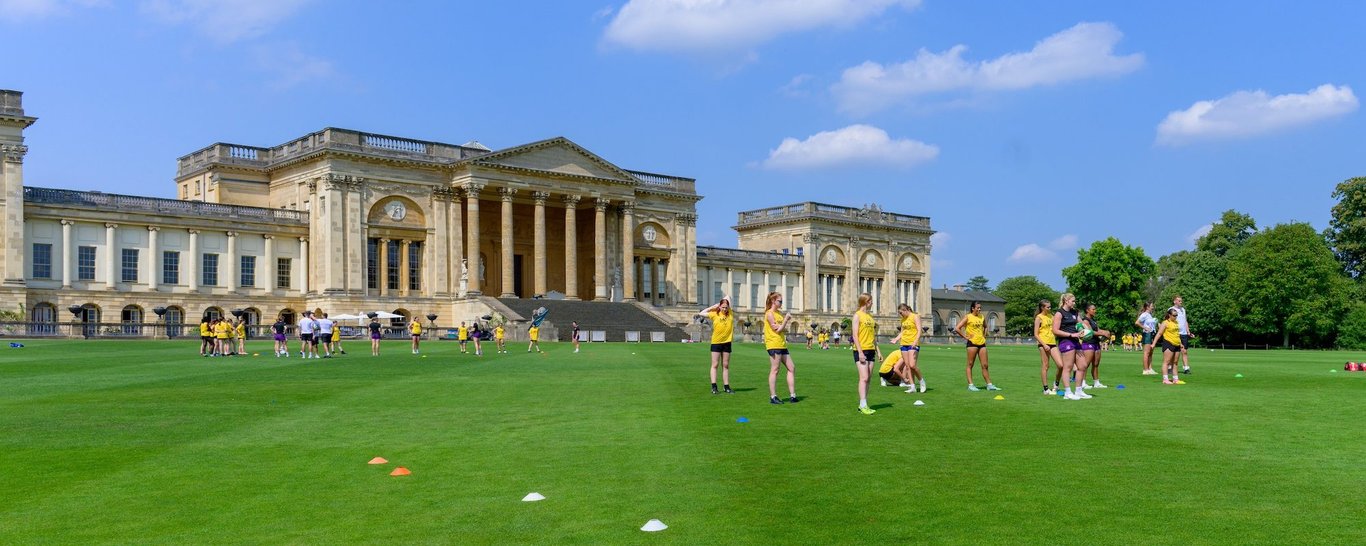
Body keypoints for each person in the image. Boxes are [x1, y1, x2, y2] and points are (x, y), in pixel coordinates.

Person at [1051, 293, 1091, 400]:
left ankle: (1079, 391)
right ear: (1066, 301)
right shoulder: (1059, 313)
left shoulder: (1075, 312)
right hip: (1066, 341)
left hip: (1076, 341)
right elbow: (1055, 330)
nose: (1074, 303)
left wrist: (1086, 329)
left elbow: (1082, 323)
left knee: (1082, 365)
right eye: (1073, 301)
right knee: (1067, 367)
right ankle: (1068, 392)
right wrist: (1071, 334)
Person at [953, 301, 999, 391]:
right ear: (973, 308)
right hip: (972, 344)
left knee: (985, 365)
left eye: (980, 308)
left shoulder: (982, 316)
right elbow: (957, 328)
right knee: (970, 364)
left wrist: (984, 335)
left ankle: (989, 385)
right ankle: (971, 385)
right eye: (978, 308)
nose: (979, 309)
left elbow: (985, 326)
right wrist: (965, 337)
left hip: (982, 343)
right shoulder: (968, 317)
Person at [763, 291, 798, 405]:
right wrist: (785, 320)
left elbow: (783, 329)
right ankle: (773, 396)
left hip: (782, 344)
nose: (781, 303)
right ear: (773, 301)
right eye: (780, 301)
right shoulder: (769, 314)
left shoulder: (779, 313)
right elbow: (777, 330)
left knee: (791, 367)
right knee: (775, 369)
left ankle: (792, 395)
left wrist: (782, 324)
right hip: (773, 344)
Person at [698, 298, 735, 395]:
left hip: (727, 342)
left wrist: (726, 303)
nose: (724, 309)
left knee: (726, 365)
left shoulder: (730, 313)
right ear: (720, 306)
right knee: (715, 365)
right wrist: (713, 307)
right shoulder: (714, 314)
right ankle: (714, 386)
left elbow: (728, 296)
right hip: (716, 342)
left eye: (726, 307)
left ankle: (726, 386)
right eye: (722, 307)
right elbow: (701, 313)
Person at [891, 303, 925, 393]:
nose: (900, 314)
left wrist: (915, 341)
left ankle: (922, 381)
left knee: (912, 365)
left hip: (913, 343)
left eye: (901, 312)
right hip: (904, 344)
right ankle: (912, 386)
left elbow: (919, 330)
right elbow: (902, 332)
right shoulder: (903, 320)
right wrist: (896, 339)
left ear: (906, 310)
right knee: (907, 366)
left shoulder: (915, 316)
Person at [1034, 299, 1064, 395]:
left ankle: (1056, 385)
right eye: (1048, 307)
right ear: (1042, 307)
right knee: (1046, 366)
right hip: (1043, 344)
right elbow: (1035, 334)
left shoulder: (1052, 316)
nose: (1050, 308)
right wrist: (1044, 344)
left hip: (1052, 343)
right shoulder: (1039, 317)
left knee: (1060, 365)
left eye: (1050, 306)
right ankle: (1046, 389)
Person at [1152, 308, 1187, 385]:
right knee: (1166, 362)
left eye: (1176, 315)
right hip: (1168, 343)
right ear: (1169, 315)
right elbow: (1159, 334)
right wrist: (1154, 344)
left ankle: (1175, 379)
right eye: (1174, 315)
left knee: (1175, 362)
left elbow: (1177, 334)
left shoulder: (1176, 322)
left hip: (1177, 344)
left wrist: (1181, 344)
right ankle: (1165, 379)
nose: (1176, 317)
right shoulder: (1165, 323)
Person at [1081, 304, 1112, 389]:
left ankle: (1096, 382)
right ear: (1087, 310)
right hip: (1088, 343)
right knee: (1086, 364)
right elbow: (1090, 332)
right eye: (1093, 309)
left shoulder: (1093, 320)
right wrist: (1103, 333)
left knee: (1096, 364)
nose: (1095, 311)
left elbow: (1097, 330)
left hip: (1096, 343)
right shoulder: (1085, 320)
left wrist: (1106, 331)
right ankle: (1082, 382)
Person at [1172, 295, 1194, 374]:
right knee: (1174, 352)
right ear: (1175, 301)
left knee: (1184, 351)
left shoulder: (1183, 310)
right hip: (1175, 333)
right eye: (1179, 301)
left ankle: (1186, 368)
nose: (1181, 302)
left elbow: (1185, 321)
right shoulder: (1171, 310)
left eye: (1181, 301)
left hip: (1183, 333)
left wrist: (1188, 332)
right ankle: (1170, 367)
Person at [1135, 302, 1158, 375]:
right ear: (1147, 307)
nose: (1153, 307)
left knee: (1151, 352)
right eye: (1152, 306)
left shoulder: (1150, 315)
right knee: (1146, 353)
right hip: (1147, 334)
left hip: (1151, 334)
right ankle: (1145, 370)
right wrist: (1145, 327)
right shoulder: (1144, 314)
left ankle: (1150, 368)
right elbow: (1137, 322)